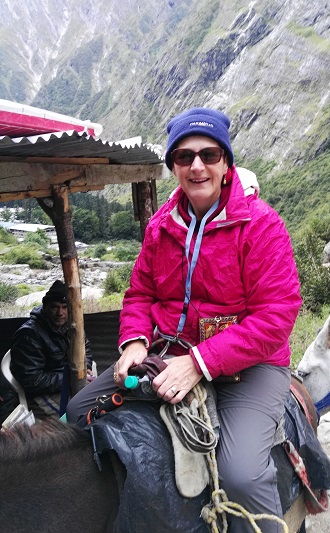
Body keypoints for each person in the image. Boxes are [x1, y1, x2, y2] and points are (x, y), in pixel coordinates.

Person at [67, 107, 302, 532]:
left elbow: (276, 316)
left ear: (226, 163)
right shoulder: (161, 226)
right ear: (173, 165)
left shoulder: (262, 226)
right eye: (184, 156)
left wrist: (200, 361)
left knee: (241, 475)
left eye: (209, 155)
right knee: (77, 410)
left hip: (250, 366)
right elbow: (140, 293)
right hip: (168, 353)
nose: (197, 166)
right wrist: (135, 341)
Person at [9, 280, 93, 420]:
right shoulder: (29, 335)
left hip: (66, 384)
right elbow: (32, 381)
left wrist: (85, 369)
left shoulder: (72, 326)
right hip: (40, 395)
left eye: (65, 307)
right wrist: (71, 378)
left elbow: (86, 350)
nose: (60, 313)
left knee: (99, 405)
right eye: (55, 307)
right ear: (45, 306)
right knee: (78, 418)